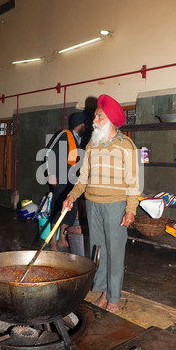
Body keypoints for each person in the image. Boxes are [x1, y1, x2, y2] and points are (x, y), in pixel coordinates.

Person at [63, 94, 140, 312]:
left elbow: (134, 181)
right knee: (99, 250)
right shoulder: (91, 145)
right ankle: (105, 292)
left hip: (116, 205)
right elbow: (83, 178)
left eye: (98, 117)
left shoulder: (127, 146)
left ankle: (114, 298)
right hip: (92, 204)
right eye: (95, 117)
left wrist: (131, 210)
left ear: (111, 121)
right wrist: (72, 196)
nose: (94, 121)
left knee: (115, 252)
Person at [47, 111, 86, 251]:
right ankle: (52, 243)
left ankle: (62, 239)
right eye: (85, 124)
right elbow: (50, 153)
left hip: (72, 180)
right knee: (58, 211)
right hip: (61, 178)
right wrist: (51, 174)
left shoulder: (78, 139)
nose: (86, 127)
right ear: (80, 125)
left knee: (69, 210)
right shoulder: (64, 135)